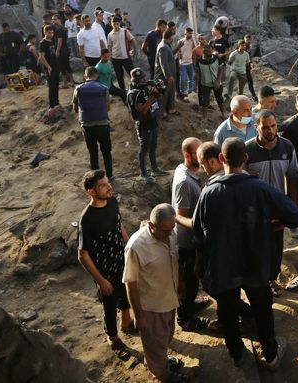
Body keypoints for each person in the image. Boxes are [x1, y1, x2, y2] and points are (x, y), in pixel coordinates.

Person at [192, 138, 298, 370]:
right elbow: (294, 216)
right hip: (255, 264)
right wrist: (268, 225)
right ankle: (270, 355)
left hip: (223, 266)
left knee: (228, 310)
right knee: (262, 309)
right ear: (246, 159)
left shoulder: (208, 193)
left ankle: (237, 354)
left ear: (221, 159)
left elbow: (199, 237)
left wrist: (199, 266)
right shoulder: (261, 189)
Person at [123, 204, 188, 383]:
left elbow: (174, 259)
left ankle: (159, 362)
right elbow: (131, 284)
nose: (170, 234)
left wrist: (180, 282)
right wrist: (139, 316)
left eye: (172, 228)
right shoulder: (136, 246)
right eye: (165, 230)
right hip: (151, 306)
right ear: (152, 226)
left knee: (165, 337)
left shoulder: (170, 232)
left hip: (169, 297)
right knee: (155, 342)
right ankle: (162, 375)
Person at [77, 170, 135, 360]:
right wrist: (101, 281)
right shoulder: (87, 219)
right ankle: (113, 338)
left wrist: (130, 249)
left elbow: (119, 227)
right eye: (103, 185)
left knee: (126, 294)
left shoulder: (112, 202)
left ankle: (127, 324)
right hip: (105, 271)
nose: (109, 187)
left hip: (122, 262)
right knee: (109, 306)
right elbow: (83, 255)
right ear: (91, 192)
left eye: (108, 182)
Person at [246, 110, 298, 295]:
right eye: (265, 127)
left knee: (276, 247)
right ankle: (257, 282)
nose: (270, 131)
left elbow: (293, 178)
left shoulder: (287, 147)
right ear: (256, 128)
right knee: (256, 247)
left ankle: (271, 280)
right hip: (254, 211)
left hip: (277, 209)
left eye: (273, 126)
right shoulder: (247, 151)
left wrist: (293, 207)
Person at [171, 138, 211, 332]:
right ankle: (185, 319)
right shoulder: (184, 182)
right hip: (187, 243)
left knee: (193, 280)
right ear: (187, 156)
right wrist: (199, 227)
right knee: (189, 280)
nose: (202, 154)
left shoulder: (189, 172)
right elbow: (179, 216)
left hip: (192, 239)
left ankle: (190, 305)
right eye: (198, 152)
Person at [127, 68, 168, 184]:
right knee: (144, 149)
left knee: (153, 147)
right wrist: (151, 96)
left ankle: (155, 168)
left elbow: (159, 97)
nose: (144, 80)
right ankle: (143, 173)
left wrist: (159, 90)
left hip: (152, 120)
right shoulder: (133, 94)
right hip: (143, 124)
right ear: (134, 80)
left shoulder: (146, 87)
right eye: (140, 79)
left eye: (144, 78)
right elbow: (143, 110)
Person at [73, 67, 113, 177]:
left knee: (93, 153)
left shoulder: (78, 89)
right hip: (102, 125)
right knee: (106, 152)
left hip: (87, 126)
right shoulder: (103, 88)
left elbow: (75, 109)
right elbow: (108, 108)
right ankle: (109, 175)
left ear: (85, 76)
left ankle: (96, 178)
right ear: (97, 76)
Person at [107, 16, 137, 92]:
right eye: (114, 24)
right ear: (111, 24)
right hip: (115, 59)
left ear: (119, 23)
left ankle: (135, 88)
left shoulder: (125, 31)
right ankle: (123, 91)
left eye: (117, 23)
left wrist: (134, 50)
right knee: (119, 76)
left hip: (126, 57)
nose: (115, 25)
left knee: (132, 73)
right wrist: (109, 57)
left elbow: (133, 40)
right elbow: (110, 47)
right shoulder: (110, 35)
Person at [196, 46, 226, 121]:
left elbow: (221, 69)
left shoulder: (216, 58)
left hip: (217, 83)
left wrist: (218, 81)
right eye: (207, 52)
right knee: (205, 101)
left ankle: (223, 114)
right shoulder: (199, 61)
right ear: (204, 52)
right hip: (205, 84)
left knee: (219, 99)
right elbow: (197, 73)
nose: (209, 53)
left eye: (210, 51)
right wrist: (197, 84)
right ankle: (205, 117)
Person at [157, 29, 178, 118]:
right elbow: (163, 63)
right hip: (164, 76)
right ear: (169, 38)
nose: (173, 39)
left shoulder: (166, 45)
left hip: (170, 75)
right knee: (164, 94)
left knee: (170, 92)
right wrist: (168, 76)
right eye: (172, 37)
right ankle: (162, 113)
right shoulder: (163, 47)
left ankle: (171, 109)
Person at [38, 25, 60, 111]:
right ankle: (51, 106)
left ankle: (56, 103)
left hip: (55, 65)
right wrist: (48, 66)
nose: (51, 34)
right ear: (45, 33)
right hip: (49, 67)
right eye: (49, 33)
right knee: (52, 86)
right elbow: (41, 56)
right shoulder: (42, 43)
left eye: (52, 33)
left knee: (56, 85)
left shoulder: (51, 41)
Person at [52, 14, 73, 87]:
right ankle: (71, 82)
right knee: (67, 66)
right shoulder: (63, 28)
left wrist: (57, 51)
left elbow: (60, 40)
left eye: (55, 19)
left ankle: (65, 84)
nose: (53, 21)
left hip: (62, 50)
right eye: (53, 19)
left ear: (59, 19)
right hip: (66, 49)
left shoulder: (59, 29)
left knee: (62, 66)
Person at [175, 27, 197, 98]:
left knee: (191, 78)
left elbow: (195, 49)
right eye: (189, 33)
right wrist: (179, 63)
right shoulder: (180, 41)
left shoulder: (192, 41)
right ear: (185, 33)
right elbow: (178, 53)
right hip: (182, 64)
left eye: (191, 33)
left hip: (190, 62)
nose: (190, 35)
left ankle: (190, 92)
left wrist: (193, 41)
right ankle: (182, 92)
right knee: (183, 79)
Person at [242, 34, 259, 102]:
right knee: (249, 81)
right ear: (244, 39)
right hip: (242, 66)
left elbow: (249, 56)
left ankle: (240, 92)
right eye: (247, 40)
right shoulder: (242, 47)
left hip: (247, 66)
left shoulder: (249, 46)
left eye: (249, 40)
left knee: (246, 80)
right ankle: (253, 95)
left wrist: (251, 62)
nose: (248, 41)